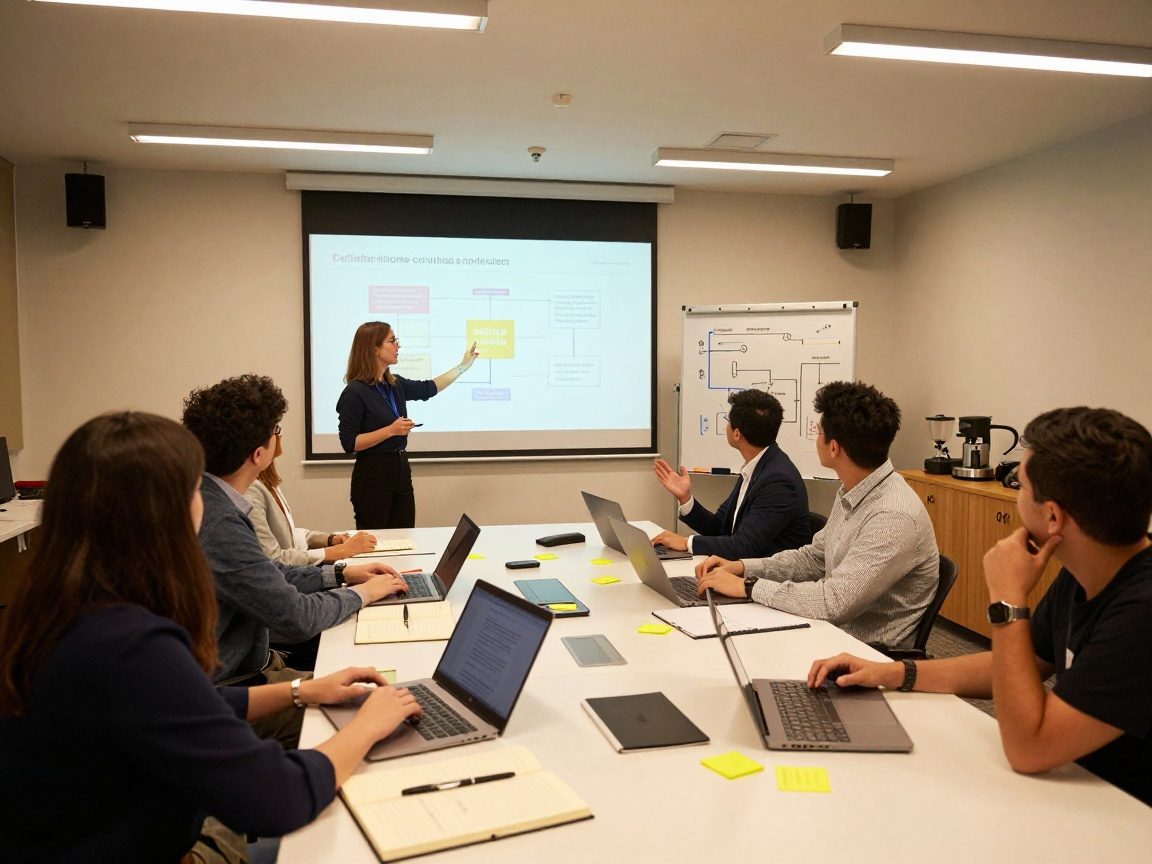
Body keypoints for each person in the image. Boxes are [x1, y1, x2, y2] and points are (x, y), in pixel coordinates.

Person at [0, 412, 422, 863]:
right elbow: (280, 797)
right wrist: (368, 726)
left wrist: (301, 691)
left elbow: (173, 706)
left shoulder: (63, 606)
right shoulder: (132, 643)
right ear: (169, 511)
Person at [809, 407, 1152, 806]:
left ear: (1053, 516)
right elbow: (1014, 663)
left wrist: (1008, 599)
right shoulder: (1087, 570)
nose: (1014, 493)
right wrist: (892, 671)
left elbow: (1030, 749)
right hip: (1078, 788)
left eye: (1019, 487)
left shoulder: (1140, 612)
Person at [182, 374, 406, 705]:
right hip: (231, 689)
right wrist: (364, 593)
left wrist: (340, 574)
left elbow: (268, 572)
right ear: (259, 454)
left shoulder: (210, 498)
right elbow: (298, 617)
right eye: (277, 432)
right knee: (376, 700)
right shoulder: (220, 521)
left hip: (249, 670)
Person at [696, 380, 938, 647]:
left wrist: (750, 586)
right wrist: (743, 568)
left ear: (833, 448)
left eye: (818, 432)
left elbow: (835, 603)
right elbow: (813, 560)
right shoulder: (854, 489)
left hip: (864, 655)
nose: (815, 438)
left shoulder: (893, 516)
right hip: (829, 633)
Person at [337, 321, 478, 530]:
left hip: (400, 470)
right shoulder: (355, 392)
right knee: (377, 544)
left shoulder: (394, 384)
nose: (398, 346)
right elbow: (349, 443)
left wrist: (462, 367)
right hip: (373, 477)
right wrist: (390, 431)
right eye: (392, 341)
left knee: (405, 539)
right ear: (374, 349)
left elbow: (429, 388)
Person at [650, 388, 810, 558]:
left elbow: (744, 546)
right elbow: (721, 527)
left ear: (736, 433)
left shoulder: (778, 480)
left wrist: (686, 542)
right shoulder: (757, 466)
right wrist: (686, 498)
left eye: (728, 420)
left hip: (767, 581)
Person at [245, 431, 377, 567]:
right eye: (276, 430)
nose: (279, 437)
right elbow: (273, 559)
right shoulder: (251, 491)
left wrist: (330, 539)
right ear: (258, 451)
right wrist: (338, 551)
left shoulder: (268, 482)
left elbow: (289, 536)